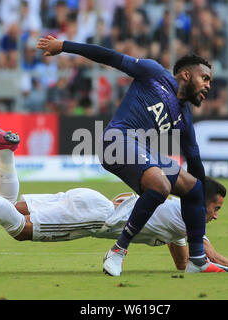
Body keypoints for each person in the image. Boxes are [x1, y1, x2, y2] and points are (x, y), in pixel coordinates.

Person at [0, 121, 228, 273]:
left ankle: (5, 152)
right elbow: (210, 256)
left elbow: (184, 262)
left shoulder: (174, 217)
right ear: (201, 204)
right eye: (215, 208)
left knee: (14, 205)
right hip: (95, 217)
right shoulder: (188, 216)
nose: (215, 216)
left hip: (90, 199)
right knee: (18, 229)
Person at [36, 34, 218, 276]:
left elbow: (194, 160)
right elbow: (110, 57)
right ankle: (118, 251)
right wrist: (64, 46)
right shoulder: (155, 74)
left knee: (193, 187)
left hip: (141, 150)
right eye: (204, 78)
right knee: (160, 185)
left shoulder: (185, 118)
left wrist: (202, 200)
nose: (208, 86)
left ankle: (197, 260)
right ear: (186, 74)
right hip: (115, 140)